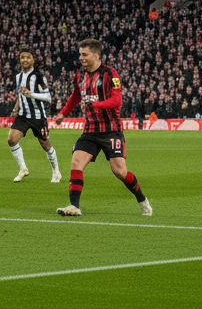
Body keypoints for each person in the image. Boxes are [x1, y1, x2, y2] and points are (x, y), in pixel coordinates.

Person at [51, 39, 151, 217]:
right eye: (80, 54)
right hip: (90, 130)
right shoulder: (80, 76)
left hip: (111, 130)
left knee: (119, 171)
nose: (81, 58)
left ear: (96, 55)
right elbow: (76, 96)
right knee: (76, 162)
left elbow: (116, 100)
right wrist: (63, 114)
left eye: (85, 54)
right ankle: (74, 206)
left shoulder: (110, 74)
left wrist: (96, 104)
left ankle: (142, 199)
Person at [8, 48, 61, 183]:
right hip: (23, 115)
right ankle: (23, 169)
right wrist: (15, 108)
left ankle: (56, 172)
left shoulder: (38, 76)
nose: (25, 60)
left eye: (28, 57)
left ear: (32, 60)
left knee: (45, 145)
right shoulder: (18, 77)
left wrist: (31, 94)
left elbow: (48, 97)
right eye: (22, 57)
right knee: (12, 140)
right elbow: (20, 95)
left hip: (38, 116)